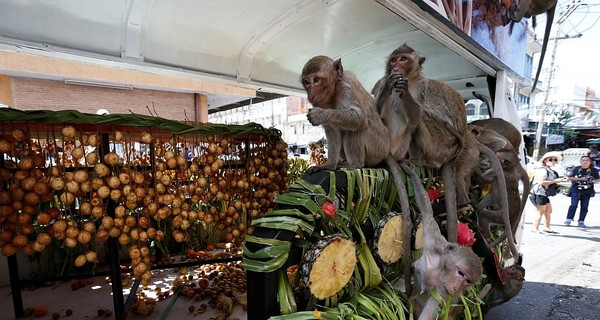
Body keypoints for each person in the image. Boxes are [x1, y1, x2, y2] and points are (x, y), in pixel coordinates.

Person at [529, 151, 563, 234]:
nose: (553, 161)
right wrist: (555, 181)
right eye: (550, 159)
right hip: (539, 193)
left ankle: (547, 227)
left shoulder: (549, 170)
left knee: (548, 210)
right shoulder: (542, 170)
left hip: (543, 193)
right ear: (544, 160)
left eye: (555, 160)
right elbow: (541, 182)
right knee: (540, 211)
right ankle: (534, 228)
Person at [564, 155, 600, 228]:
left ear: (590, 162)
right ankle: (569, 219)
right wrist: (580, 179)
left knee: (584, 206)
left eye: (587, 160)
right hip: (576, 189)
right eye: (583, 160)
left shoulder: (594, 170)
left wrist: (592, 180)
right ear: (580, 162)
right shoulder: (575, 169)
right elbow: (569, 178)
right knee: (573, 205)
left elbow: (598, 179)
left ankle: (581, 221)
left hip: (588, 191)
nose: (585, 162)